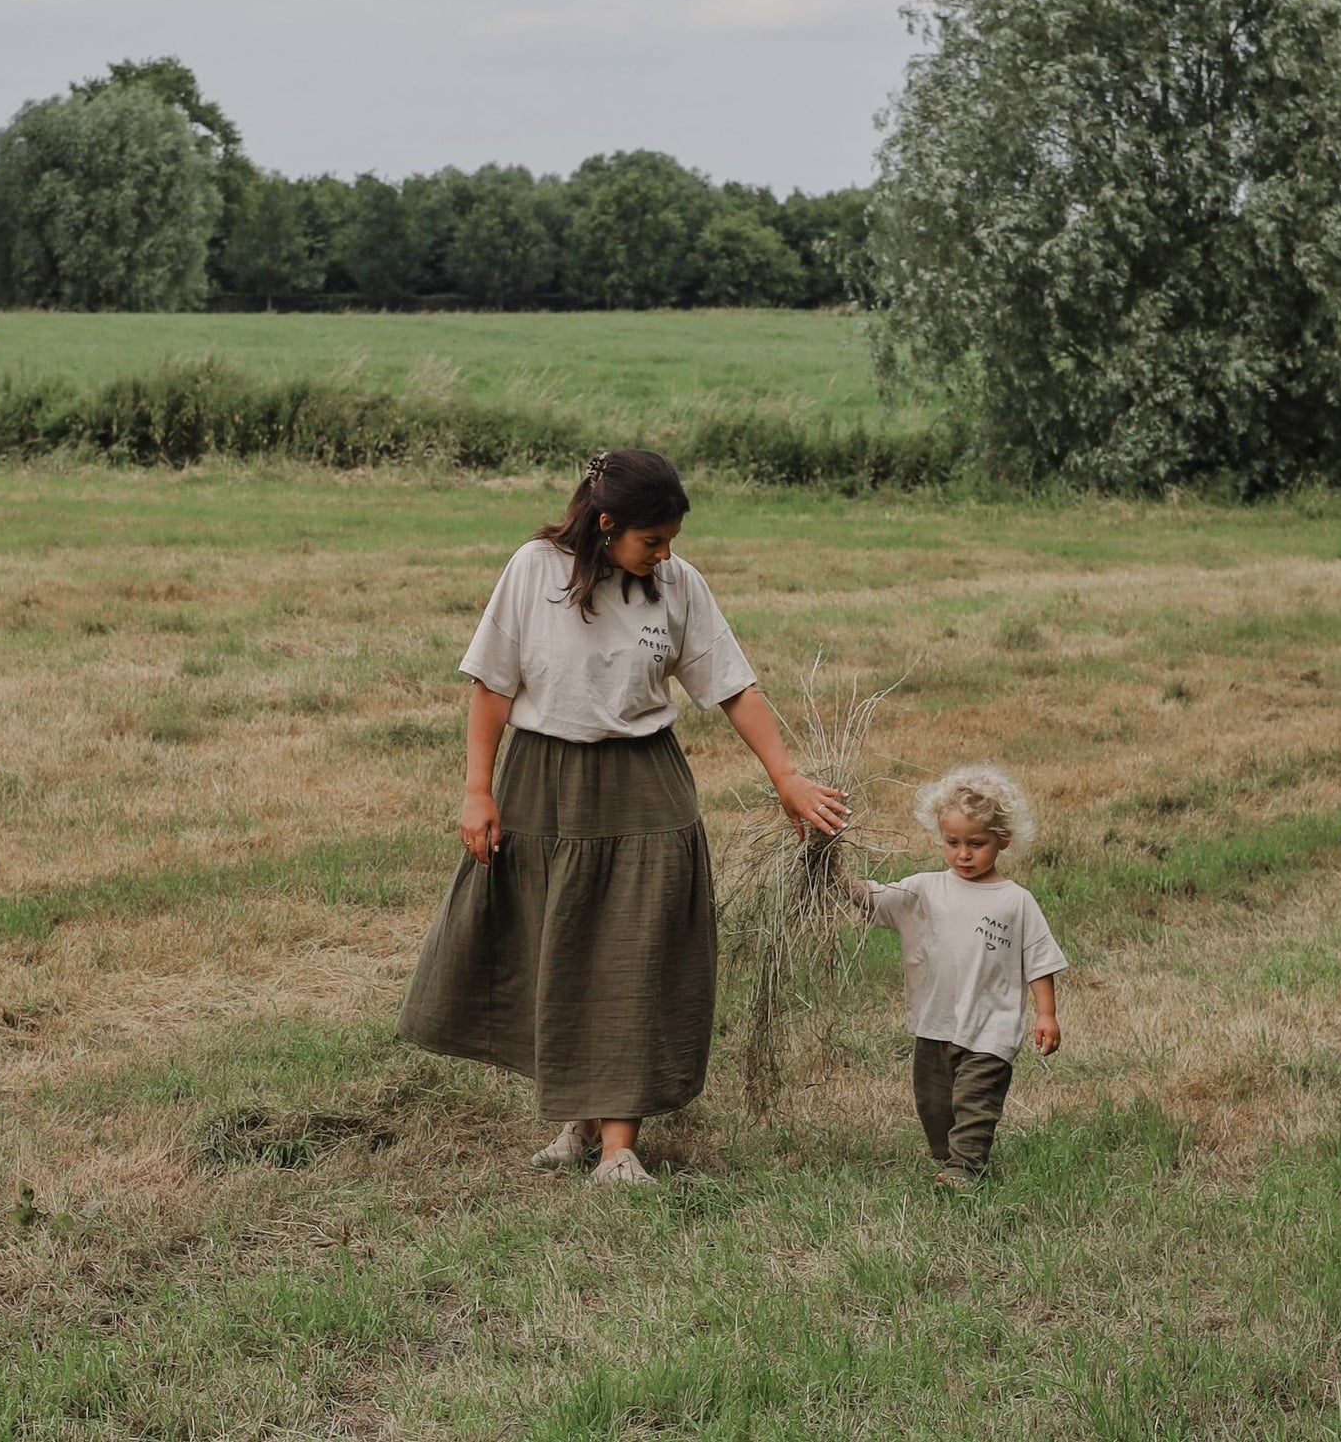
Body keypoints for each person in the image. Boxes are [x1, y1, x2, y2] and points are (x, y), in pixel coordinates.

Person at [397, 449, 849, 1185]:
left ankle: (618, 1149)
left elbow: (732, 686)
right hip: (542, 780)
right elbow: (491, 685)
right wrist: (477, 790)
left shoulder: (677, 585)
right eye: (653, 540)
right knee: (558, 944)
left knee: (634, 952)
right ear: (606, 525)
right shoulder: (532, 570)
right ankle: (576, 1121)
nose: (666, 554)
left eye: (671, 540)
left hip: (645, 783)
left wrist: (787, 778)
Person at [843, 765, 1066, 1190]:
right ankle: (948, 1158)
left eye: (977, 844)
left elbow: (1039, 960)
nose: (964, 854)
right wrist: (831, 871)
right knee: (934, 1104)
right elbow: (875, 897)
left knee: (975, 1102)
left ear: (1004, 840)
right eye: (953, 843)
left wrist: (1046, 1014)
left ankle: (965, 1168)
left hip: (990, 1027)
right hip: (935, 1022)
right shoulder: (925, 890)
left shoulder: (1015, 902)